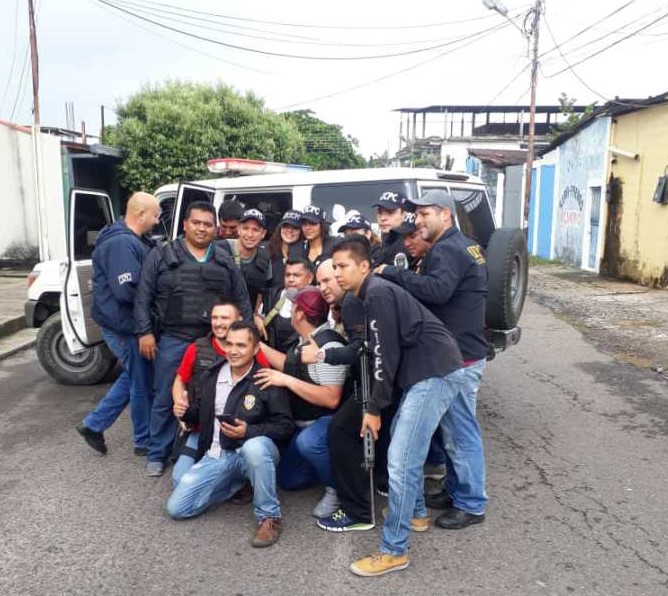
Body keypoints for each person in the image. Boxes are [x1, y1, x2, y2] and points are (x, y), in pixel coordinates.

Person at [330, 235, 465, 577]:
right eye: (334, 267)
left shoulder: (376, 293)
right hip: (428, 369)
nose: (337, 273)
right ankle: (417, 511)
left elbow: (383, 358)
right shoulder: (371, 293)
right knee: (406, 448)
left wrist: (373, 408)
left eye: (343, 266)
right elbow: (382, 354)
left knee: (400, 461)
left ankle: (394, 550)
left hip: (433, 371)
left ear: (364, 266)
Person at [375, 188, 489, 531]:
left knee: (460, 431)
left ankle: (471, 502)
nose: (419, 220)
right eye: (418, 214)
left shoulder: (448, 249)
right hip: (462, 351)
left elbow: (436, 291)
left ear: (446, 215)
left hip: (460, 357)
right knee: (456, 428)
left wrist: (391, 273)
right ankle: (456, 490)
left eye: (425, 214)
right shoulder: (462, 244)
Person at [135, 200, 252, 477]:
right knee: (165, 395)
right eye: (196, 223)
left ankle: (207, 444)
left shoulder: (224, 258)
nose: (202, 228)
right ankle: (157, 452)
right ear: (185, 224)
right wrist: (144, 332)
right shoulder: (161, 254)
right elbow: (143, 296)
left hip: (213, 338)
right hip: (173, 337)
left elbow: (242, 299)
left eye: (208, 224)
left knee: (217, 395)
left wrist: (246, 333)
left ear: (216, 228)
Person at [167, 322, 294, 548]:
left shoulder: (267, 378)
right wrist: (185, 411)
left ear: (256, 349)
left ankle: (269, 516)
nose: (233, 351)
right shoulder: (211, 375)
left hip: (255, 453)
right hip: (218, 454)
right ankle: (236, 483)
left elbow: (285, 426)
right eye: (229, 344)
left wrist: (249, 431)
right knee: (177, 509)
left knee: (253, 447)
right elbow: (199, 412)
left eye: (241, 345)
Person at [76, 192, 160, 456]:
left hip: (126, 323)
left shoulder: (133, 240)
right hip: (126, 326)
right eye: (156, 215)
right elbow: (128, 292)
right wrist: (146, 327)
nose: (158, 221)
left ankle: (94, 424)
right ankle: (143, 442)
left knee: (135, 376)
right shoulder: (122, 244)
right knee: (140, 382)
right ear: (140, 213)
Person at [255, 287, 349, 519]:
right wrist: (253, 344)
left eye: (293, 305)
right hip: (304, 420)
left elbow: (331, 398)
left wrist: (285, 381)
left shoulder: (329, 346)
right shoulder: (307, 338)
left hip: (329, 422)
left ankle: (337, 487)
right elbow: (288, 364)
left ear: (298, 314)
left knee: (309, 443)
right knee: (289, 480)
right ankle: (325, 465)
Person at [170, 300, 271, 485]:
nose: (218, 323)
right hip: (202, 430)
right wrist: (181, 411)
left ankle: (237, 476)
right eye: (214, 317)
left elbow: (268, 386)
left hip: (239, 434)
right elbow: (179, 381)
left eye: (224, 317)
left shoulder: (254, 352)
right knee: (179, 480)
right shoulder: (197, 348)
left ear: (239, 319)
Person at [255, 258, 314, 353]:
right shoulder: (271, 297)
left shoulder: (318, 302)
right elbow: (257, 318)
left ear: (310, 278)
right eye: (287, 275)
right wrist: (256, 318)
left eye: (296, 275)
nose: (290, 280)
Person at [226, 208, 273, 311]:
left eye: (255, 230)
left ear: (263, 233)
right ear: (238, 229)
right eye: (245, 228)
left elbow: (262, 292)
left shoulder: (265, 259)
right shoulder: (221, 248)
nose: (250, 234)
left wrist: (256, 316)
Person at [371, 191, 413, 268]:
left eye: (390, 212)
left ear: (404, 214)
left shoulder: (407, 242)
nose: (382, 218)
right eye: (380, 212)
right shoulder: (387, 238)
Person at [266, 210, 304, 288]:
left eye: (295, 227)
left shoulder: (306, 253)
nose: (290, 230)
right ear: (280, 228)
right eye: (285, 226)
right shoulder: (266, 251)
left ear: (301, 231)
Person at [299, 205, 338, 270]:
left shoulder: (337, 245)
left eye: (312, 223)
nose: (307, 227)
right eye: (304, 224)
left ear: (322, 225)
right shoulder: (297, 249)